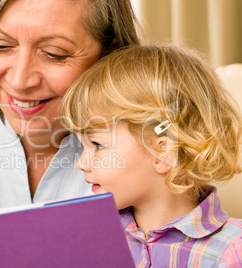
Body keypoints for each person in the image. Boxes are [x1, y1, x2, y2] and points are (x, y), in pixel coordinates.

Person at [0, 0, 140, 223]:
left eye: (54, 53)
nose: (20, 81)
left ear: (110, 54)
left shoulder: (147, 145)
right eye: (0, 46)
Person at [61, 45, 242, 267]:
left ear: (163, 152)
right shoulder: (88, 238)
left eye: (97, 145)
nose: (81, 163)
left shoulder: (231, 250)